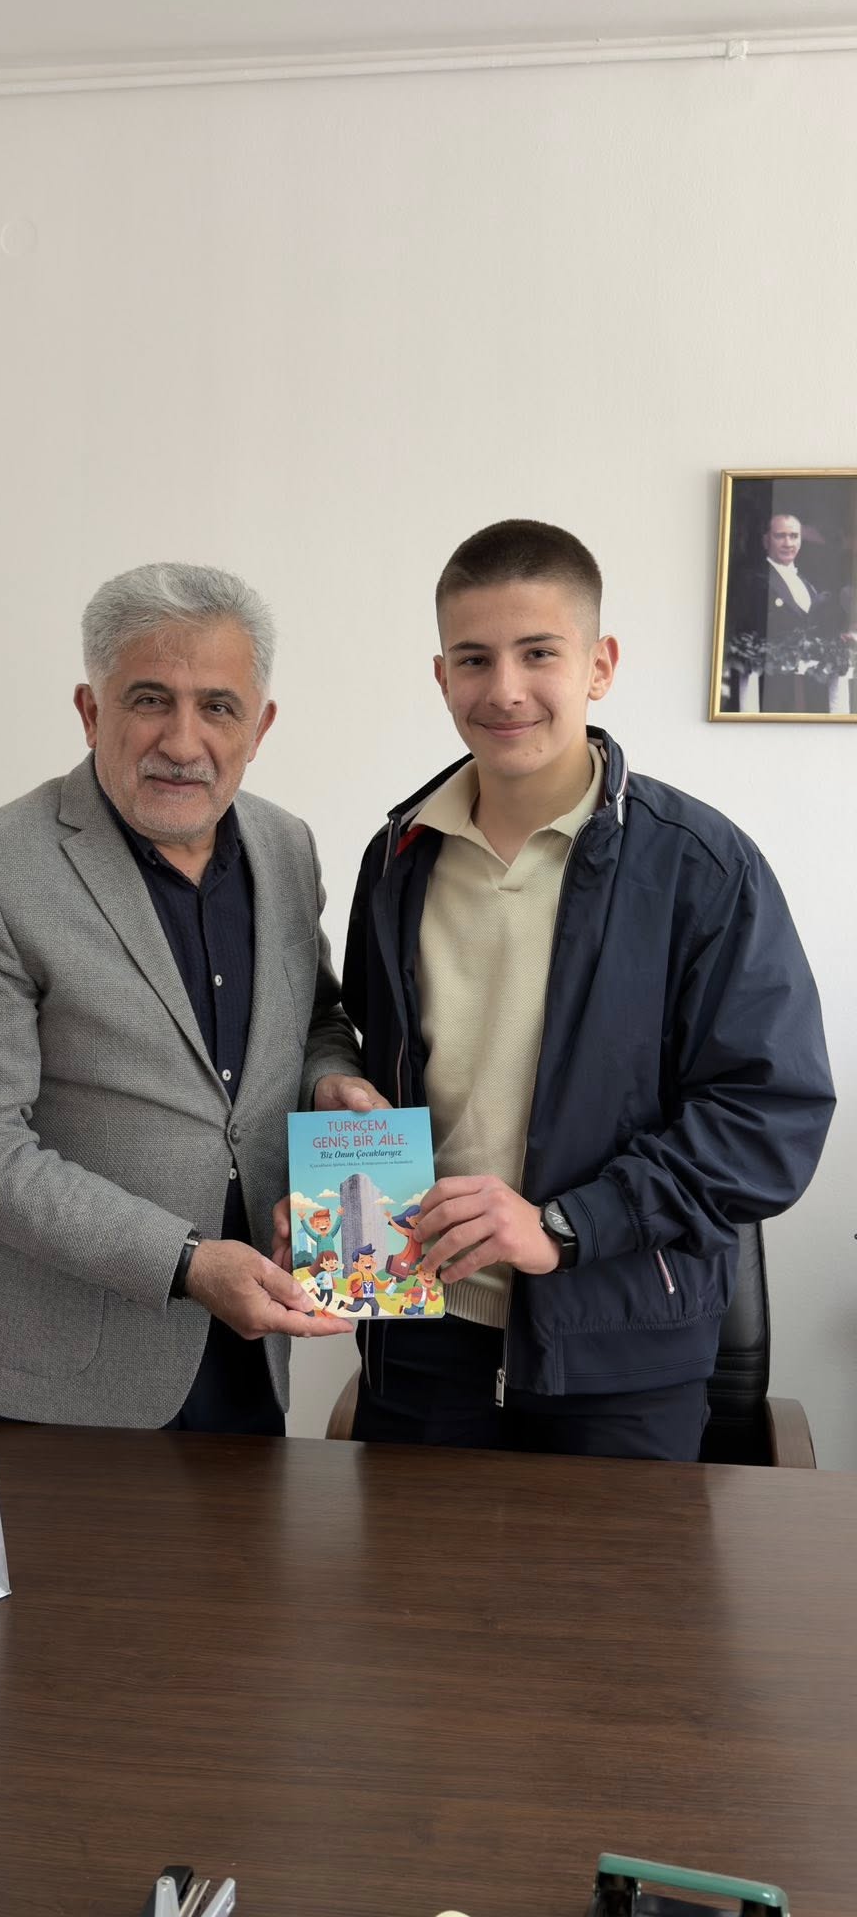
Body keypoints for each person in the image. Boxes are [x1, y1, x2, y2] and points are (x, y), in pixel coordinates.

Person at [341, 519, 834, 1460]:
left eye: (539, 653)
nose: (504, 689)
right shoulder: (398, 856)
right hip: (418, 1343)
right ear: (441, 676)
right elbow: (368, 1059)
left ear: (599, 666)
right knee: (400, 1568)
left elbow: (772, 1118)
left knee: (614, 1572)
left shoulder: (702, 867)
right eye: (474, 659)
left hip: (621, 1359)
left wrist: (564, 1228)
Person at [0, 562, 377, 1433]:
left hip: (253, 1355)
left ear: (261, 725)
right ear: (92, 712)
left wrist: (328, 1080)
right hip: (59, 1384)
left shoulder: (286, 846)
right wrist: (186, 1261)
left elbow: (315, 1018)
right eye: (150, 700)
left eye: (218, 707)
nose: (183, 742)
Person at [724, 512, 841, 713]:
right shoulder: (751, 580)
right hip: (768, 692)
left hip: (809, 692)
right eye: (780, 536)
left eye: (794, 536)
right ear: (766, 540)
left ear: (800, 541)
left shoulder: (808, 584)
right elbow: (739, 636)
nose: (788, 543)